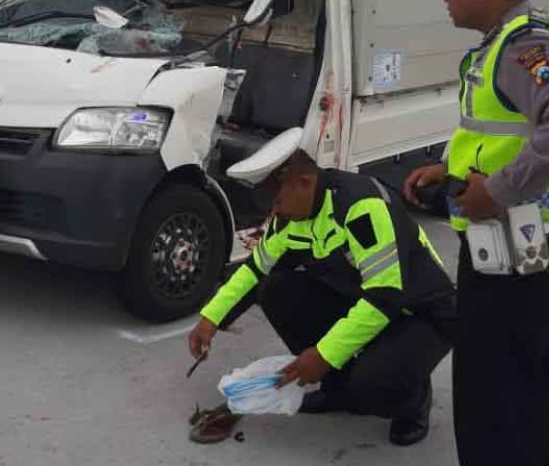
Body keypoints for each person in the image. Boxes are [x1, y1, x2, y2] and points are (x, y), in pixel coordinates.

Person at [403, 0, 549, 466]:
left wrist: (498, 190)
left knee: (496, 401)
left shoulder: (525, 48)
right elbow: (507, 133)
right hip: (518, 247)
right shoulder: (509, 42)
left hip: (519, 253)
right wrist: (448, 168)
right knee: (515, 394)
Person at [188, 128, 456, 447]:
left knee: (372, 385)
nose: (274, 212)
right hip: (363, 301)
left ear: (304, 181)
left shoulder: (361, 206)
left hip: (420, 313)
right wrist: (211, 319)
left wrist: (323, 355)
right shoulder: (290, 216)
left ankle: (412, 402)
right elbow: (255, 271)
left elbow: (385, 297)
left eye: (276, 200)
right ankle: (336, 391)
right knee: (277, 289)